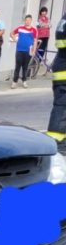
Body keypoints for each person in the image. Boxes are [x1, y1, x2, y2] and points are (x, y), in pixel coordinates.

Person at [46, 13, 66, 152]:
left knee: (61, 107)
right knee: (62, 108)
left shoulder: (64, 19)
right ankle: (57, 143)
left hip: (61, 68)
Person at [10, 14, 38, 89]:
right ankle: (14, 82)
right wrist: (15, 39)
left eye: (29, 20)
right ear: (24, 20)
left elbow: (35, 41)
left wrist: (34, 50)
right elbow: (11, 33)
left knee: (25, 67)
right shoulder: (20, 28)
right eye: (26, 20)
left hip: (28, 51)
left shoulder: (34, 30)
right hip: (19, 50)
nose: (27, 21)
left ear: (31, 21)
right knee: (17, 67)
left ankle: (24, 81)